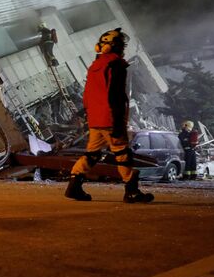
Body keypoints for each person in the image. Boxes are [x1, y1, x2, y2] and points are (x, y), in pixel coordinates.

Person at [65, 28, 154, 203]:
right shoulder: (117, 64)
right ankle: (131, 191)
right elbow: (116, 95)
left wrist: (89, 113)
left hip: (96, 118)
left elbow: (87, 94)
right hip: (110, 118)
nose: (123, 48)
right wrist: (119, 122)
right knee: (122, 153)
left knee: (92, 153)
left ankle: (74, 185)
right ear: (114, 46)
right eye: (121, 45)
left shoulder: (95, 65)